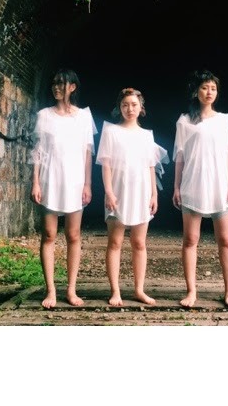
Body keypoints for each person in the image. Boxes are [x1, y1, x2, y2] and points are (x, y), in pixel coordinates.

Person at [172, 70, 228, 308]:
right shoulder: (185, 121)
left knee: (225, 240)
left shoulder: (224, 120)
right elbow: (180, 157)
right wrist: (176, 186)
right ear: (196, 91)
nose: (209, 92)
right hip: (193, 183)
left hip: (220, 185)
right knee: (190, 239)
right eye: (204, 87)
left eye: (213, 88)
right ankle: (191, 291)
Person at [30, 68, 96, 309]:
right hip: (50, 178)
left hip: (75, 180)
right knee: (49, 234)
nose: (56, 87)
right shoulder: (44, 116)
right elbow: (37, 151)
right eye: (54, 83)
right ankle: (50, 290)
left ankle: (71, 289)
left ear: (72, 87)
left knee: (73, 235)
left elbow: (87, 153)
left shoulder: (83, 117)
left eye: (61, 83)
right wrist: (35, 182)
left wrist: (87, 184)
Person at [96, 88, 168, 307]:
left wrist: (154, 194)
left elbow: (150, 166)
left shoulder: (146, 135)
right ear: (120, 107)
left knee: (139, 242)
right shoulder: (111, 131)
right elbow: (106, 165)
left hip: (141, 191)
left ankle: (139, 290)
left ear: (141, 107)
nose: (130, 109)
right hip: (118, 191)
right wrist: (109, 192)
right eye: (125, 105)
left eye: (134, 104)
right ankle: (115, 291)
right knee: (115, 242)